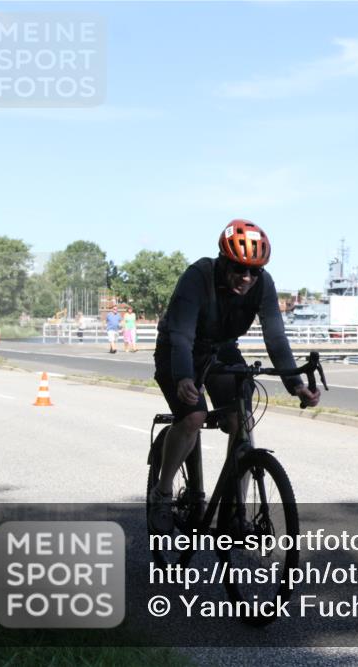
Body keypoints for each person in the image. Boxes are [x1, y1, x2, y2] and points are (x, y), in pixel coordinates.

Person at [148, 220, 320, 533]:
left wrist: (296, 385)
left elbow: (276, 340)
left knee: (240, 419)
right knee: (193, 416)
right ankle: (162, 493)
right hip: (177, 348)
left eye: (255, 270)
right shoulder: (197, 277)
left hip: (221, 350)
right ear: (224, 261)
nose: (247, 277)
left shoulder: (263, 285)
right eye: (240, 268)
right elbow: (182, 335)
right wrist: (185, 377)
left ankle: (233, 515)